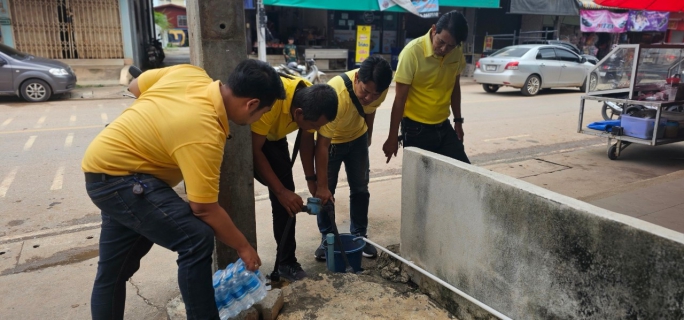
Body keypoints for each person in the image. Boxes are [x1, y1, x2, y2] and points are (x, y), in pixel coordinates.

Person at [82, 61, 285, 319]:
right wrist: (243, 247)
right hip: (121, 180)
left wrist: (154, 125)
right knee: (195, 238)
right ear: (252, 104)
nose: (259, 118)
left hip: (108, 167)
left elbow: (135, 87)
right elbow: (204, 209)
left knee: (114, 271)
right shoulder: (205, 131)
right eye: (263, 112)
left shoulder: (190, 73)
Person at [305, 56, 393, 260]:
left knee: (361, 189)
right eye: (365, 92)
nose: (370, 97)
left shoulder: (380, 89)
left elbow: (370, 110)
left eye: (375, 94)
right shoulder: (336, 94)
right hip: (332, 143)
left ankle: (359, 236)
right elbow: (322, 145)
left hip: (358, 140)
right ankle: (327, 238)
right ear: (356, 79)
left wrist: (368, 137)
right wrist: (321, 185)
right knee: (326, 192)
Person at [251, 74, 338, 281]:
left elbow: (307, 141)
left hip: (274, 137)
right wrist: (280, 192)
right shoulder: (271, 101)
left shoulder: (312, 99)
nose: (317, 130)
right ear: (298, 113)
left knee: (286, 203)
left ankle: (286, 262)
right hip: (247, 137)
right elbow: (254, 151)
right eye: (314, 125)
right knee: (281, 196)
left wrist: (312, 180)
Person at [382, 10, 470, 164]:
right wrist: (392, 137)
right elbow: (400, 99)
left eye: (450, 46)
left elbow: (455, 88)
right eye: (441, 42)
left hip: (443, 126)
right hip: (416, 130)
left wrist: (458, 120)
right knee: (421, 182)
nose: (444, 49)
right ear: (434, 29)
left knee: (464, 171)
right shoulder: (412, 53)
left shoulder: (456, 53)